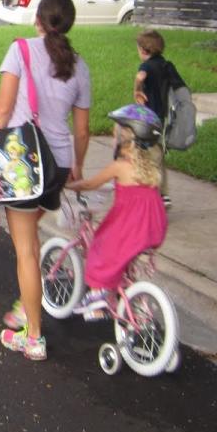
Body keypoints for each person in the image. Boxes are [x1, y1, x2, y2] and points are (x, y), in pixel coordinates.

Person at [0, 0, 90, 361]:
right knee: (30, 239)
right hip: (57, 166)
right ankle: (25, 305)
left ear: (38, 19)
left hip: (23, 162)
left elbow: (3, 109)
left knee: (25, 250)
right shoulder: (79, 64)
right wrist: (78, 165)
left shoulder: (21, 51)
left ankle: (34, 336)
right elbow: (83, 130)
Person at [68, 104, 169, 318]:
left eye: (117, 134)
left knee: (101, 248)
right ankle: (127, 296)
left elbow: (89, 185)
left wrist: (68, 185)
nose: (114, 138)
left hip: (131, 226)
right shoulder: (151, 167)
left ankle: (99, 298)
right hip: (153, 227)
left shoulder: (120, 166)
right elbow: (136, 193)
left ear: (127, 140)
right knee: (121, 256)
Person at [133, 29, 184, 208]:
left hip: (147, 118)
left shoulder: (146, 66)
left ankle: (154, 194)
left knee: (148, 156)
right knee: (159, 155)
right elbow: (180, 88)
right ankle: (164, 194)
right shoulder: (166, 65)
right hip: (163, 119)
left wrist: (137, 89)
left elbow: (140, 77)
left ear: (143, 50)